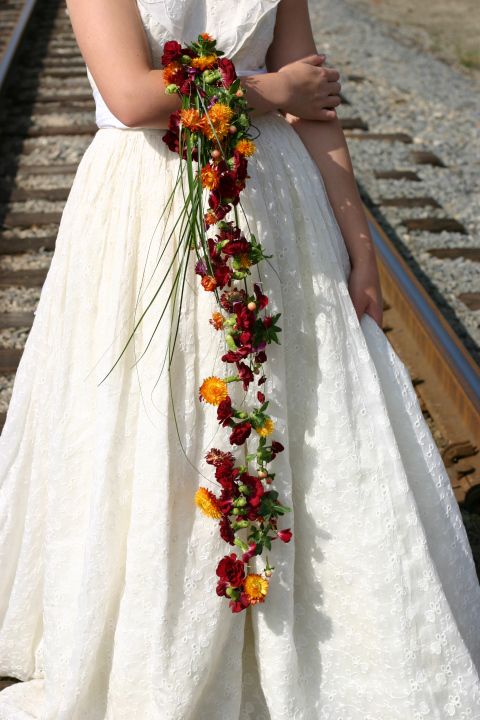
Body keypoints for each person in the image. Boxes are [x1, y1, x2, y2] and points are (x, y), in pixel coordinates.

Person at [0, 0, 479, 717]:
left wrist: (360, 245)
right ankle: (167, 640)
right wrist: (268, 90)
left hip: (273, 204)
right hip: (147, 206)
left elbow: (314, 100)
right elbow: (133, 98)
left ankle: (299, 639)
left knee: (295, 413)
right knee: (156, 422)